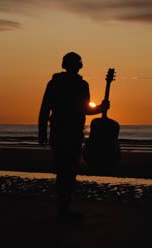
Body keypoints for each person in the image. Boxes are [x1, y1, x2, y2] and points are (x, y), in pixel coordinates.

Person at [38, 52, 110, 220]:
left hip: (58, 131)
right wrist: (101, 108)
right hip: (71, 132)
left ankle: (63, 208)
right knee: (68, 171)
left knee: (63, 170)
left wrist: (42, 131)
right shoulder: (81, 85)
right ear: (79, 66)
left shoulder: (54, 83)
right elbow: (86, 109)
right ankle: (64, 209)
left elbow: (44, 109)